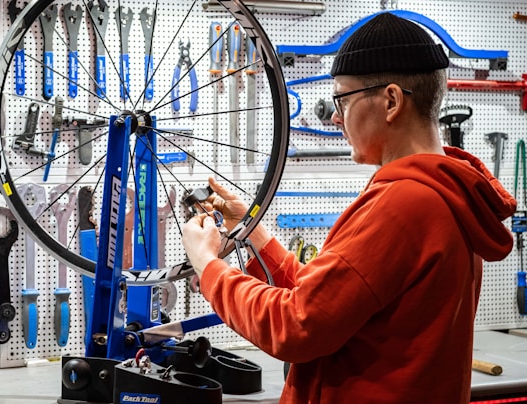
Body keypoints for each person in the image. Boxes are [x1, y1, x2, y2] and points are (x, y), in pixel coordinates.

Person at [181, 12, 516, 403]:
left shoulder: (405, 204)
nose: (336, 116)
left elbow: (295, 325)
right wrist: (252, 231)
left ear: (390, 101)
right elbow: (326, 301)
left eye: (342, 98)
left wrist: (208, 265)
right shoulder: (444, 194)